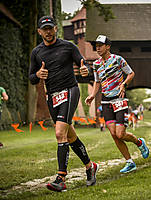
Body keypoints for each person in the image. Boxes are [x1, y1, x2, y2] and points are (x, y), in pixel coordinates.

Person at [29, 16, 99, 192]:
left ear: (55, 29)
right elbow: (31, 78)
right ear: (39, 32)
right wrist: (38, 75)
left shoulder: (68, 46)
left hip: (70, 90)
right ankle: (90, 166)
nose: (48, 31)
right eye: (44, 29)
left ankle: (61, 178)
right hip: (52, 96)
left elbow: (85, 66)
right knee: (69, 136)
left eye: (50, 28)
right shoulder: (36, 53)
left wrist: (85, 70)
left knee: (60, 132)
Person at [85, 35, 149, 173]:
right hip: (106, 100)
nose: (98, 48)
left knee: (120, 134)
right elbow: (97, 82)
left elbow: (131, 73)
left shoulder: (118, 59)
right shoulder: (96, 64)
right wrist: (92, 95)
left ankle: (139, 142)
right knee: (114, 134)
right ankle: (129, 162)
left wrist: (124, 85)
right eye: (96, 45)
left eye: (101, 45)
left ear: (108, 46)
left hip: (119, 99)